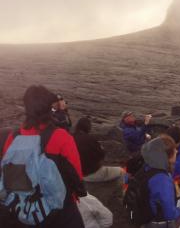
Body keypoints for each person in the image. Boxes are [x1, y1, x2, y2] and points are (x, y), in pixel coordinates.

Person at [1, 85, 85, 228]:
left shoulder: (13, 137)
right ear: (49, 109)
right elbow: (76, 176)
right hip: (57, 211)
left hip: (22, 207)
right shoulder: (62, 137)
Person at [141, 135, 180, 228]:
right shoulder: (162, 180)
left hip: (147, 218)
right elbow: (170, 214)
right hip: (159, 224)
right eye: (174, 150)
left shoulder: (149, 166)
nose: (176, 151)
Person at [73, 117, 122, 182]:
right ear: (88, 127)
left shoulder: (70, 137)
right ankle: (123, 190)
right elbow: (101, 154)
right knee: (122, 172)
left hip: (75, 173)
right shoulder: (90, 139)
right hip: (90, 173)